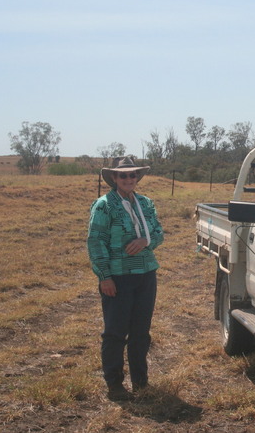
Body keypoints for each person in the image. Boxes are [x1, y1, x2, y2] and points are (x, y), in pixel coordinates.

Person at [87, 156, 164, 401]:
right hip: (118, 277)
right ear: (114, 178)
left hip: (146, 274)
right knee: (115, 332)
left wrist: (146, 241)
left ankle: (141, 381)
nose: (129, 179)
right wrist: (104, 276)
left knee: (141, 332)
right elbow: (96, 241)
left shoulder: (145, 203)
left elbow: (159, 233)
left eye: (132, 175)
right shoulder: (104, 205)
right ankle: (115, 385)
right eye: (123, 175)